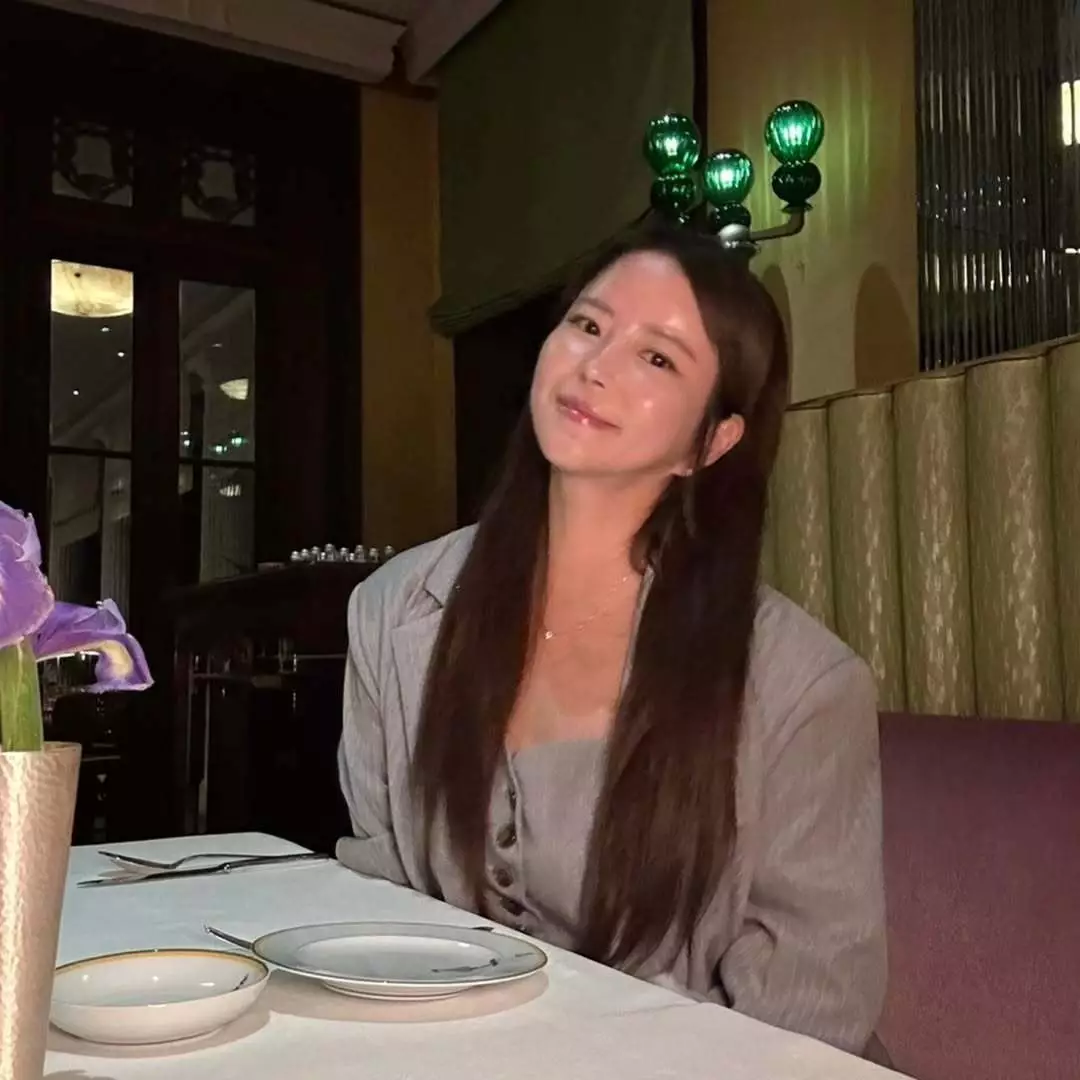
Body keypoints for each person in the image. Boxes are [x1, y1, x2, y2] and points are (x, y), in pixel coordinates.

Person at [337, 224, 886, 1055]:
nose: (596, 365)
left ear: (711, 441)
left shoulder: (802, 683)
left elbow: (814, 1012)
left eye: (657, 358)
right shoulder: (392, 611)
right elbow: (379, 911)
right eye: (589, 325)